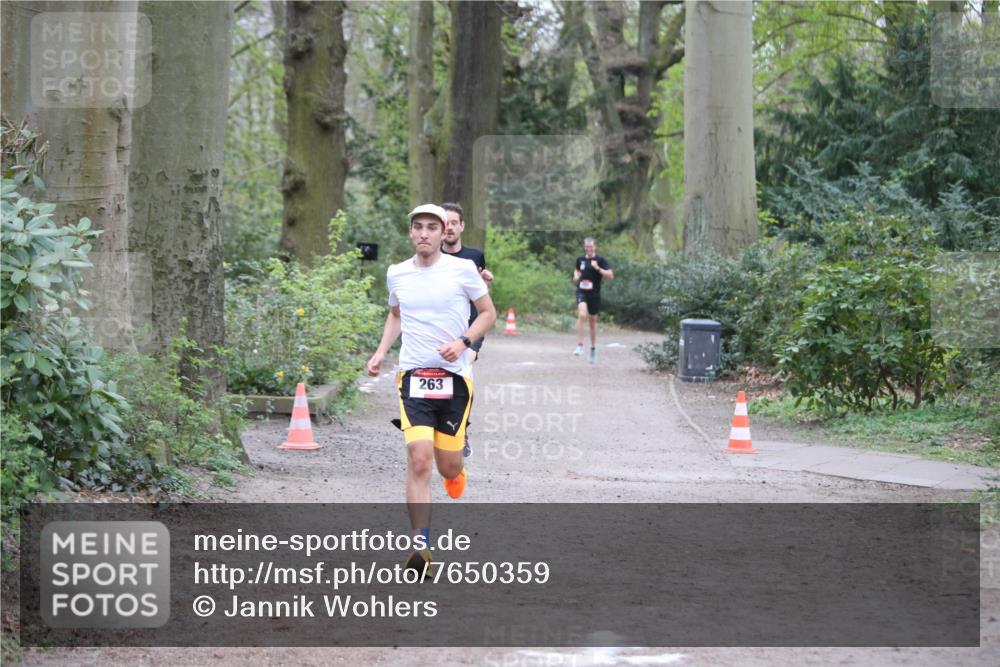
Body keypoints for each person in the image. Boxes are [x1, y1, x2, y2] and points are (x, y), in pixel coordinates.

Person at [366, 204, 496, 572]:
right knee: (419, 460)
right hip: (414, 377)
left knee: (448, 468)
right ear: (411, 233)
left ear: (444, 233)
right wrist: (380, 352)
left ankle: (456, 471)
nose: (424, 233)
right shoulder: (397, 273)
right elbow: (396, 315)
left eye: (431, 228)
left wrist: (464, 342)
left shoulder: (463, 270)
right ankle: (420, 545)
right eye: (418, 227)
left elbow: (489, 313)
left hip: (454, 378)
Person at [440, 202, 493, 457]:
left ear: (461, 226)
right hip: (440, 330)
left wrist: (484, 282)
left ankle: (461, 430)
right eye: (444, 222)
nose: (448, 227)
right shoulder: (431, 258)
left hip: (470, 329)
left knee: (464, 371)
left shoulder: (475, 256)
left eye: (453, 223)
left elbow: (482, 298)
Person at [572, 237, 613, 364]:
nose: (588, 249)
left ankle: (593, 348)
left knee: (592, 323)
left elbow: (611, 276)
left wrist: (598, 268)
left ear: (595, 247)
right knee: (582, 314)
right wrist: (576, 276)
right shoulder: (580, 260)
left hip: (594, 295)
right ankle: (580, 345)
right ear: (584, 247)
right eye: (586, 246)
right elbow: (577, 270)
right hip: (582, 292)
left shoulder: (600, 260)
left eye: (591, 247)